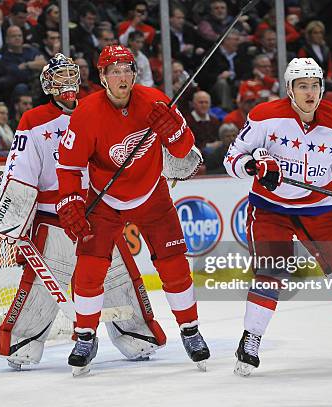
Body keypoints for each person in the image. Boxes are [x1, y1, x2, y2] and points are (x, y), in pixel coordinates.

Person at [0, 53, 166, 371]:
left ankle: (136, 334)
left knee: (117, 278)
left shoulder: (96, 109)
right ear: (47, 86)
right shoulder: (33, 120)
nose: (68, 86)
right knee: (44, 284)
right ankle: (23, 341)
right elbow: (20, 171)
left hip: (100, 214)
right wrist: (15, 220)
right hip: (54, 218)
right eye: (59, 80)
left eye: (72, 77)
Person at [223, 58, 332, 376]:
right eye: (302, 86)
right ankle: (250, 339)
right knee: (271, 275)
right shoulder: (265, 117)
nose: (309, 92)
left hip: (320, 209)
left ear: (322, 88)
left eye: (315, 85)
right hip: (270, 208)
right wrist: (253, 167)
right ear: (289, 89)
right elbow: (233, 157)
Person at [56, 45, 210, 373]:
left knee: (174, 264)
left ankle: (190, 330)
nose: (122, 76)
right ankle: (85, 335)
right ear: (102, 78)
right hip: (104, 200)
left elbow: (187, 151)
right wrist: (70, 200)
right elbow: (69, 166)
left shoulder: (155, 100)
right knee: (89, 268)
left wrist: (175, 130)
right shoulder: (85, 113)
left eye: (127, 69)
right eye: (114, 71)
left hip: (152, 194)